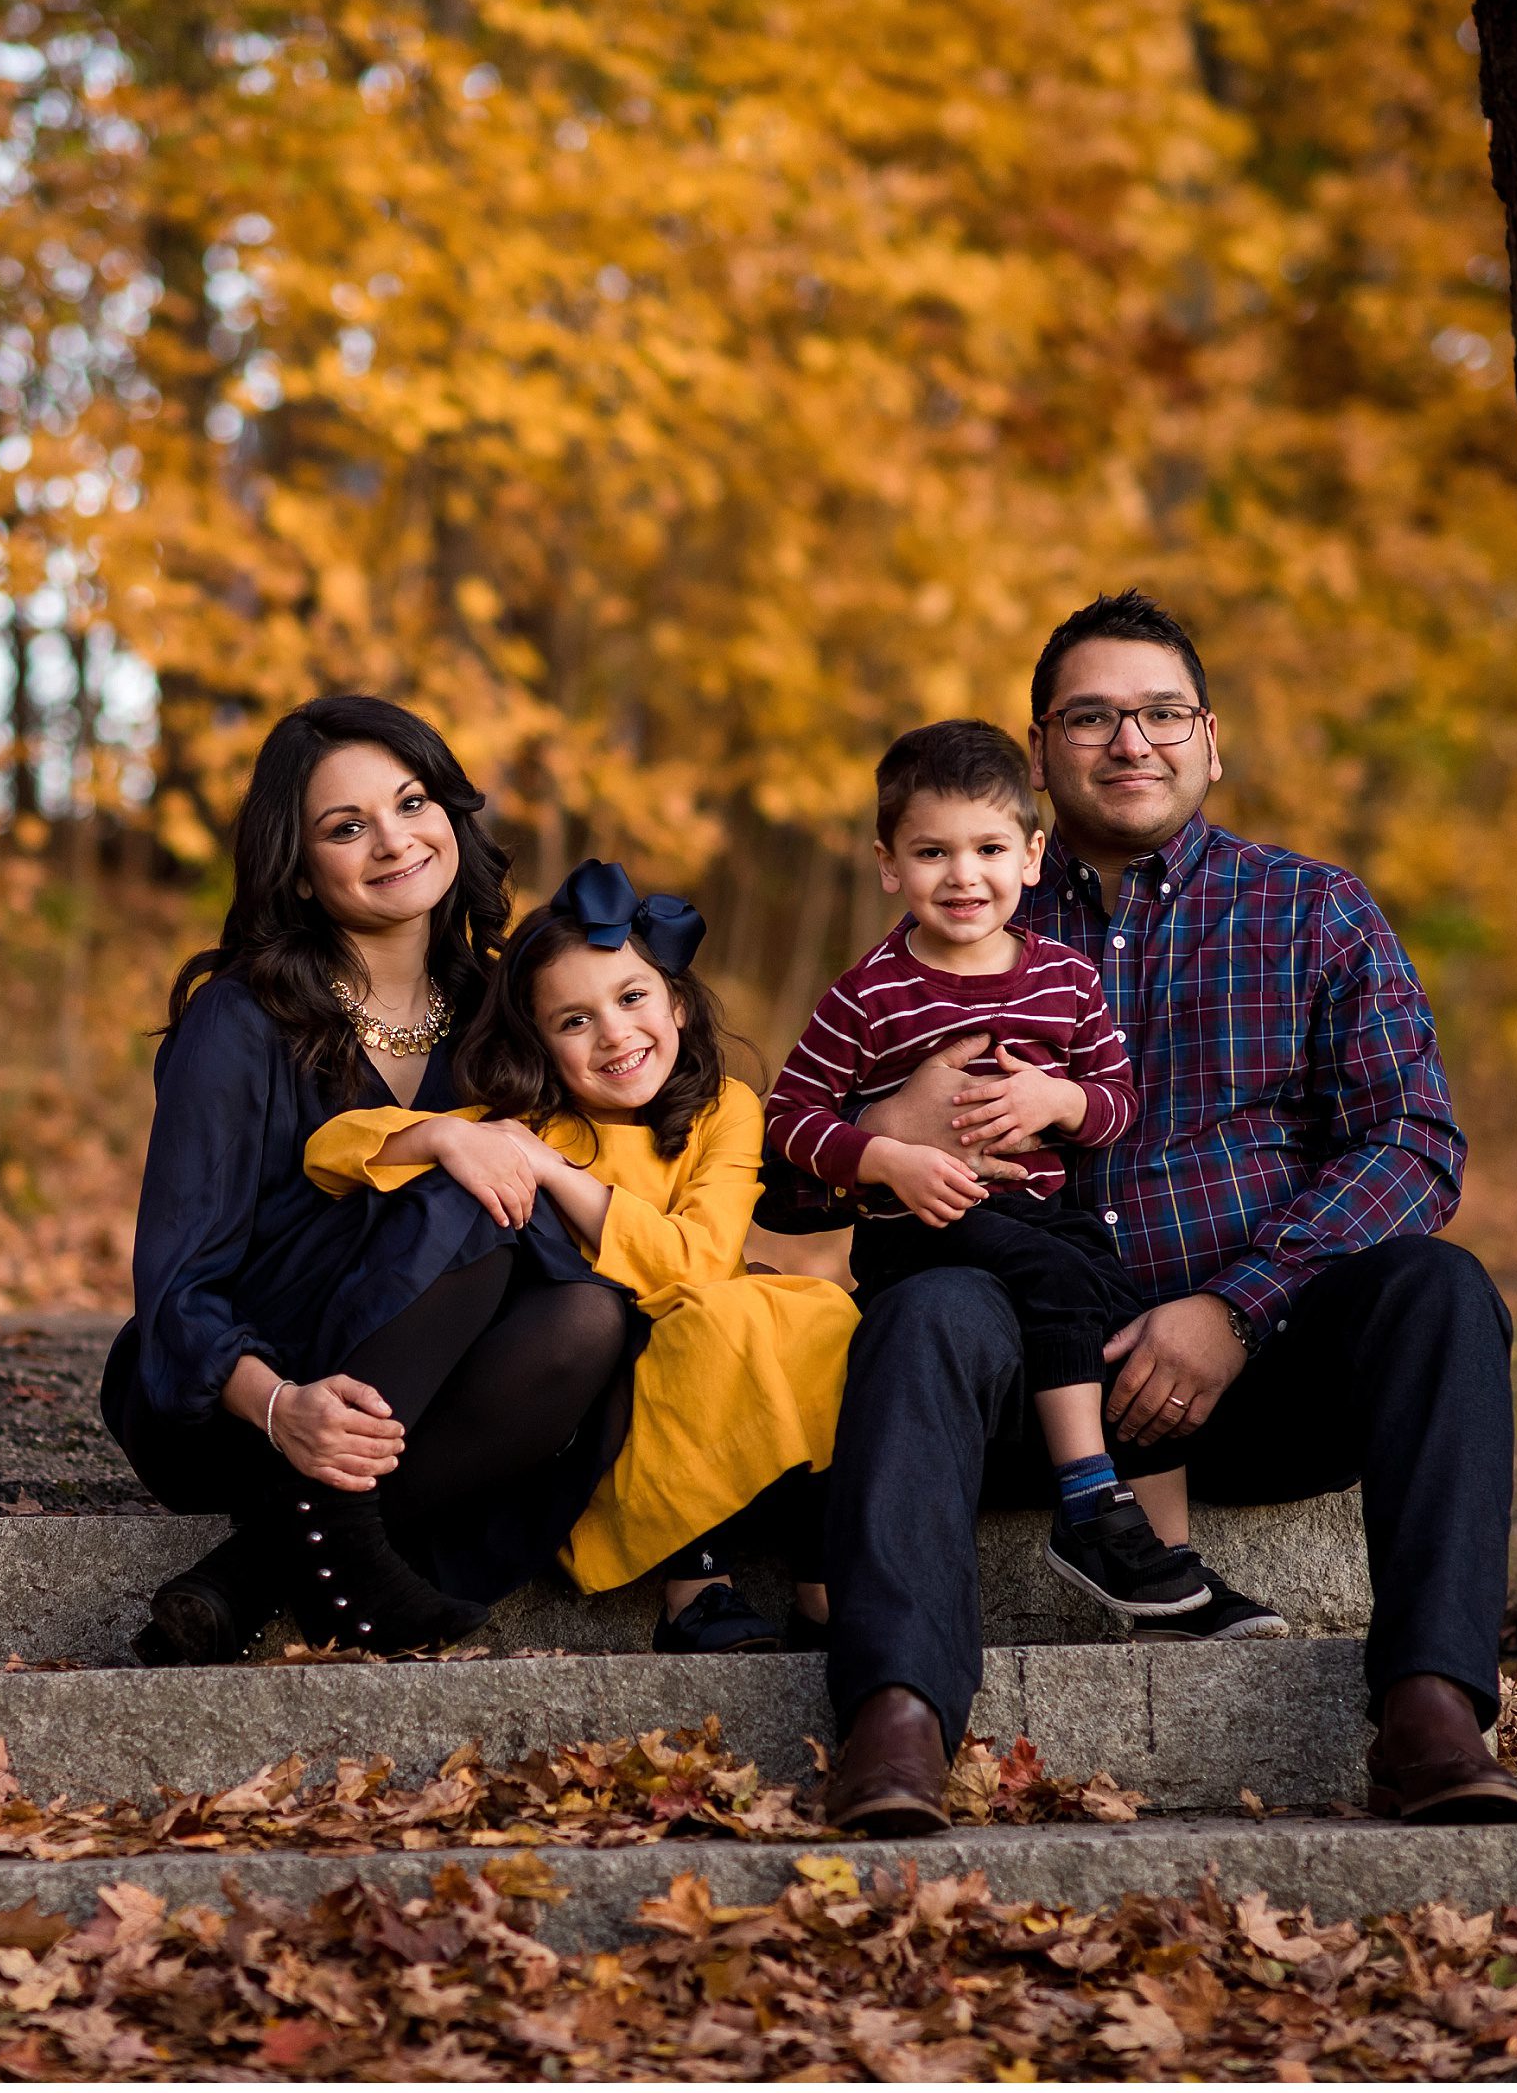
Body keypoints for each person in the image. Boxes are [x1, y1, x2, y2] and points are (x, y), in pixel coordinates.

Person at [808, 588, 1517, 1836]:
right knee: (923, 1311)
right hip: (1030, 1390)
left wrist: (1235, 1310)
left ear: (1210, 740)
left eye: (1159, 713)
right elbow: (806, 1160)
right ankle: (898, 1725)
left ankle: (1428, 1713)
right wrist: (896, 1128)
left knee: (1439, 1288)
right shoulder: (966, 907)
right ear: (1037, 754)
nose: (1128, 742)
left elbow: (1411, 1144)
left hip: (1259, 1382)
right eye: (1089, 717)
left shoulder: (1312, 913)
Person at [100, 695, 637, 1664]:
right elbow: (176, 1293)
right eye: (346, 827)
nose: (393, 841)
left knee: (588, 1318)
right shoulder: (238, 1021)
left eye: (412, 803)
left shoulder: (495, 1008)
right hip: (232, 1397)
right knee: (468, 1190)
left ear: (450, 816)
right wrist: (279, 1406)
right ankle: (335, 1544)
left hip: (403, 1394)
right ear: (298, 872)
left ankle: (258, 1568)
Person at [764, 721, 1282, 1639]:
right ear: (889, 864)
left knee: (1123, 1305)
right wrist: (884, 1155)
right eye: (933, 852)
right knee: (1059, 1280)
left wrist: (1057, 1100)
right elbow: (788, 1118)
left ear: (1032, 856)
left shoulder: (1066, 981)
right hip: (918, 1227)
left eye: (989, 849)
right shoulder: (868, 992)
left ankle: (1156, 1557)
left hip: (1038, 1218)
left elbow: (1119, 1104)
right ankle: (1087, 1502)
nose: (964, 876)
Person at [305, 859, 855, 1653]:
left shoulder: (726, 1110)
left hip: (725, 1368)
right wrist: (445, 1134)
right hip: (599, 1415)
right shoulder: (529, 1121)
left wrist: (560, 1179)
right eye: (574, 1021)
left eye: (632, 998)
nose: (615, 1035)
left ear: (674, 998)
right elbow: (330, 1149)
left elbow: (700, 1261)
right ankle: (695, 1584)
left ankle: (827, 1579)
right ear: (541, 1043)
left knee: (810, 1310)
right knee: (706, 1322)